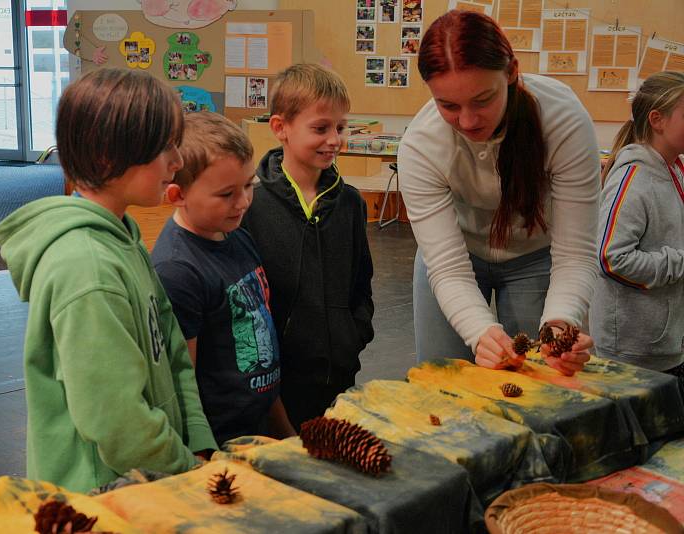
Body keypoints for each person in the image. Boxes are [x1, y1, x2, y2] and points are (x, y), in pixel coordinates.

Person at [0, 68, 218, 493]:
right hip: (102, 496)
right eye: (165, 146)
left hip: (150, 481)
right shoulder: (87, 268)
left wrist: (199, 443)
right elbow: (116, 420)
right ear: (106, 157)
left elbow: (171, 349)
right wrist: (186, 473)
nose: (179, 160)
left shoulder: (124, 235)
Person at [398, 10, 598, 376]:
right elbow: (447, 268)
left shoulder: (563, 119)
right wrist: (481, 332)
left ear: (511, 72)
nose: (469, 121)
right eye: (448, 105)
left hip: (536, 258)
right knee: (445, 383)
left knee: (542, 379)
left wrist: (560, 321)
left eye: (483, 99)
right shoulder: (421, 145)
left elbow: (575, 253)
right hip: (454, 260)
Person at [242, 63, 374, 430]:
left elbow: (361, 285)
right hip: (274, 388)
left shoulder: (350, 204)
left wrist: (353, 335)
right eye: (320, 128)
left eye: (340, 128)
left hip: (338, 380)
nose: (334, 139)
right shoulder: (249, 204)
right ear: (280, 128)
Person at [151, 111, 295, 445]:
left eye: (249, 186)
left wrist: (286, 433)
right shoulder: (177, 271)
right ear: (178, 195)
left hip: (260, 425)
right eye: (226, 194)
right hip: (220, 442)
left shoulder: (237, 236)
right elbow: (182, 383)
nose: (243, 202)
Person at [591, 71, 684, 373]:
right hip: (632, 351)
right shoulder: (633, 178)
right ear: (657, 120)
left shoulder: (674, 169)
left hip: (666, 341)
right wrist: (679, 263)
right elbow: (611, 259)